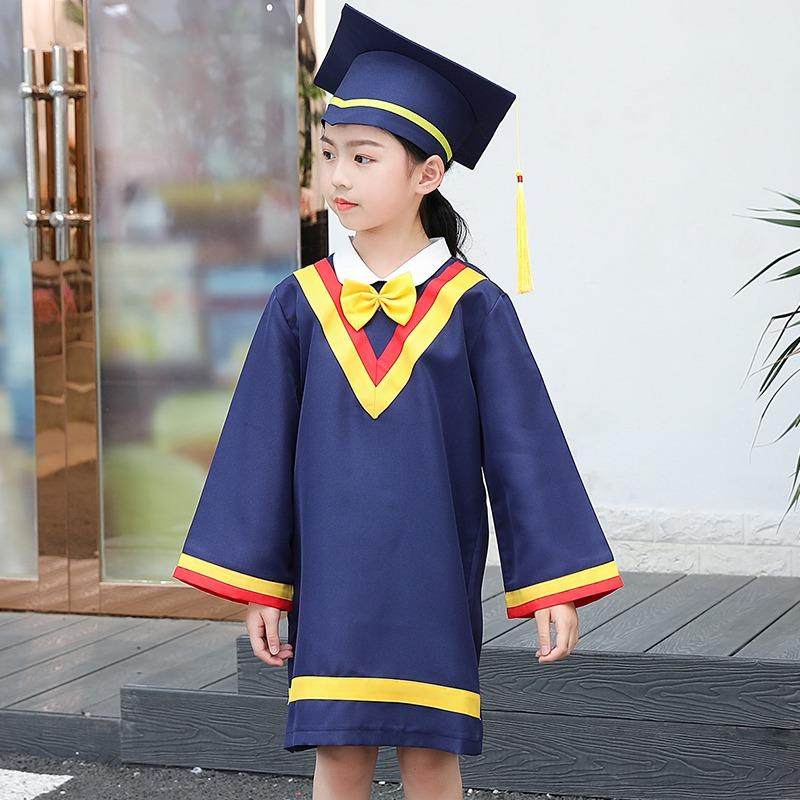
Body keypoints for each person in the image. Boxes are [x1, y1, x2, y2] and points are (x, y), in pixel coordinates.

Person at [172, 4, 624, 798]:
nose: (338, 178)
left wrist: (554, 582)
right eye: (328, 154)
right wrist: (262, 586)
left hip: (430, 577)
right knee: (339, 754)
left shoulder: (473, 307)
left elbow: (525, 451)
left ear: (427, 175)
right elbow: (257, 450)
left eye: (364, 157)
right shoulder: (300, 304)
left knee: (429, 755)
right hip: (332, 582)